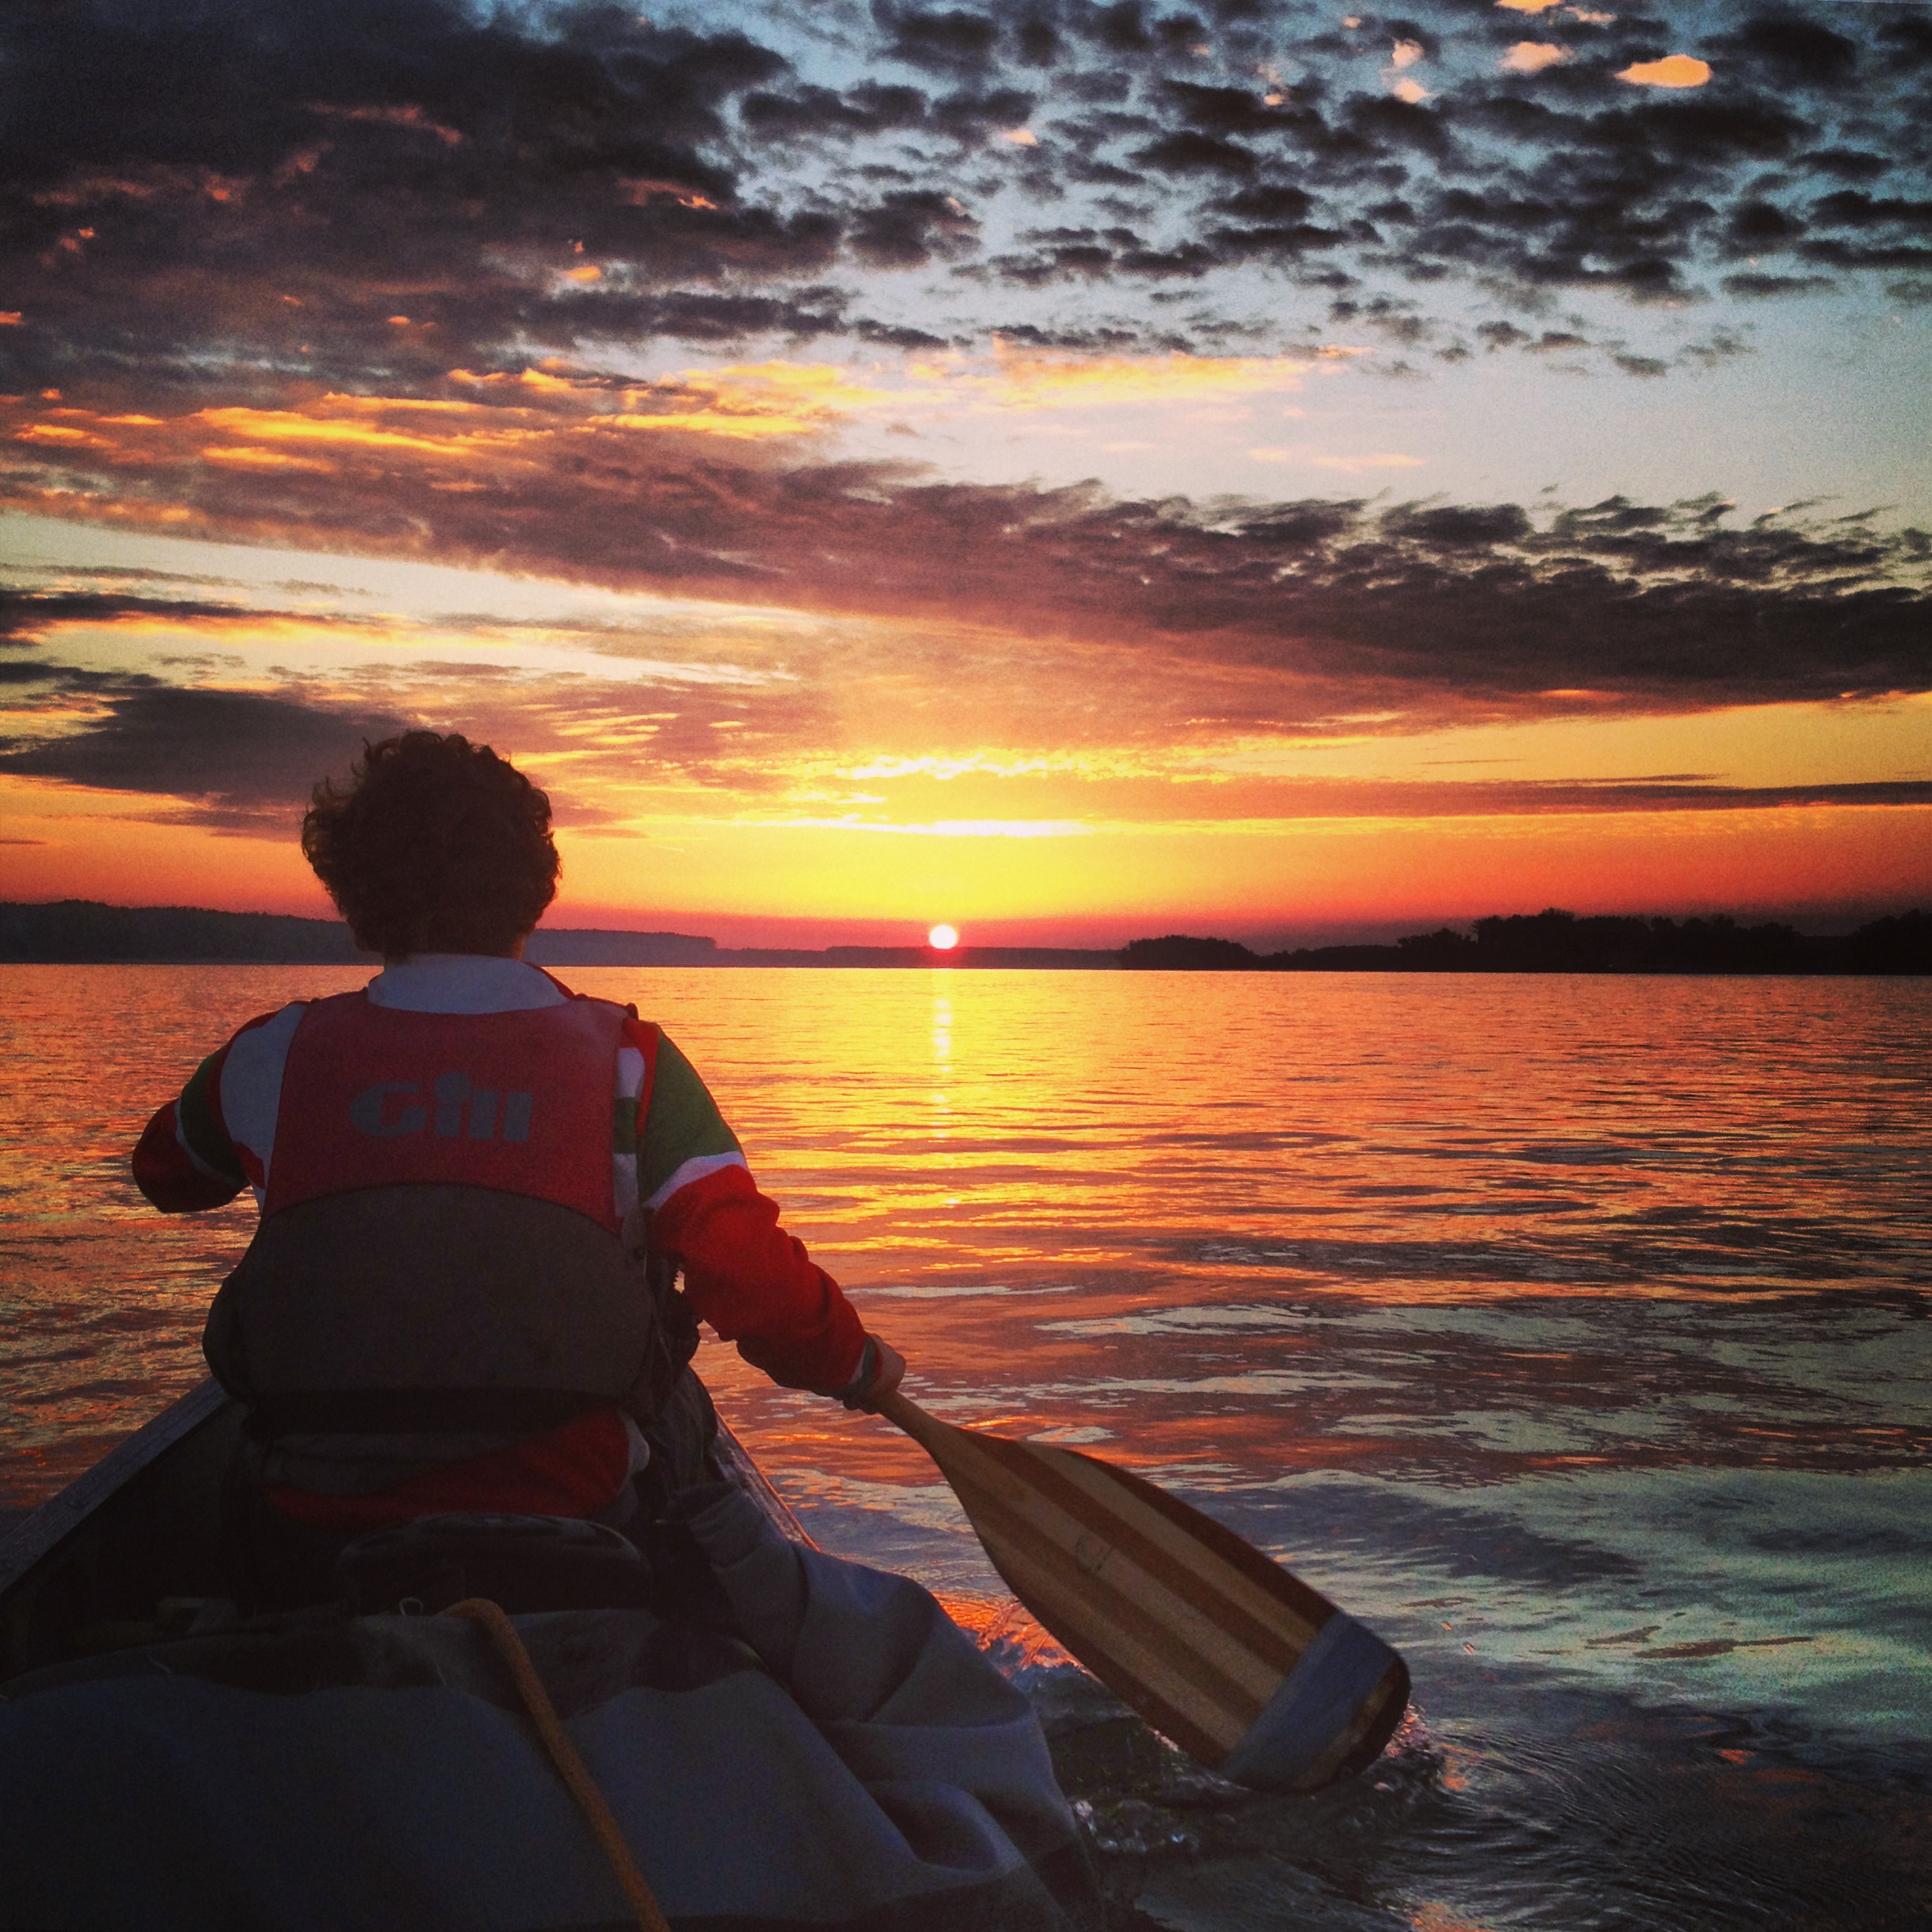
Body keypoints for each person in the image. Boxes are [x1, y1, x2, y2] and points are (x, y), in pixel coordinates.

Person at [132, 730, 903, 1599]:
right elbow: (751, 1280)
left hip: (309, 1519)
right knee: (677, 1403)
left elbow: (167, 1176)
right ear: (533, 888)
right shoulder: (631, 1061)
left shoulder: (273, 1054)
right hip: (580, 1510)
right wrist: (856, 1366)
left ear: (352, 894)